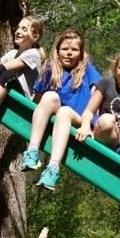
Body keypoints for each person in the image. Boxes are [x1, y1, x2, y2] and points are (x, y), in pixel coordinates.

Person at [20, 29, 102, 190]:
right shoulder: (51, 68)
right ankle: (32, 151)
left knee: (64, 112)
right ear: (57, 51)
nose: (69, 53)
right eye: (65, 49)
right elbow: (39, 99)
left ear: (81, 53)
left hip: (80, 120)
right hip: (59, 117)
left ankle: (53, 168)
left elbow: (96, 95)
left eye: (74, 50)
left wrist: (88, 124)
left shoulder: (87, 68)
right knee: (50, 96)